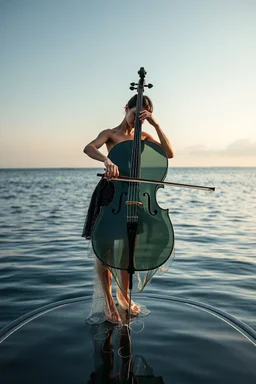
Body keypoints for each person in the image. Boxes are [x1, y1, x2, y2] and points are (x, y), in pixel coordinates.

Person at [82, 94, 174, 324]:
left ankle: (123, 296)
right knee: (105, 252)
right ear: (126, 108)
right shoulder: (110, 134)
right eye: (135, 115)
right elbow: (88, 147)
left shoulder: (144, 135)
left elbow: (168, 153)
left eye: (142, 118)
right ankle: (108, 302)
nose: (137, 121)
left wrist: (155, 124)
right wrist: (106, 160)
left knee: (128, 250)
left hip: (134, 197)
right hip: (110, 195)